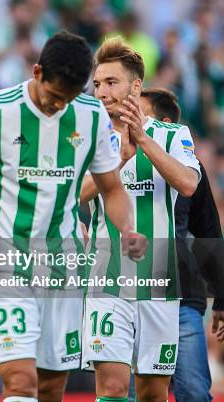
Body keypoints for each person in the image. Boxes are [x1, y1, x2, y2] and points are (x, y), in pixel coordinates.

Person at [0, 31, 146, 402]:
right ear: (37, 72)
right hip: (7, 259)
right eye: (54, 96)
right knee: (20, 382)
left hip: (64, 262)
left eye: (70, 98)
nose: (60, 106)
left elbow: (111, 189)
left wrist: (129, 228)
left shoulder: (90, 117)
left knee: (50, 387)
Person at [80, 39, 201, 402]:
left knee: (152, 392)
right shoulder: (87, 137)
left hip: (158, 280)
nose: (101, 91)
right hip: (106, 278)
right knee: (113, 387)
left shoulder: (173, 134)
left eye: (111, 82)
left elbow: (189, 183)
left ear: (135, 86)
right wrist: (118, 159)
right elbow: (73, 195)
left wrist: (142, 142)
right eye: (97, 83)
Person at [139, 87, 224, 402]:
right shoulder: (116, 159)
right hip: (128, 292)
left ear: (164, 125)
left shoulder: (191, 172)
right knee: (133, 391)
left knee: (193, 392)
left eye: (142, 114)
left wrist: (222, 298)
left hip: (182, 296)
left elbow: (208, 233)